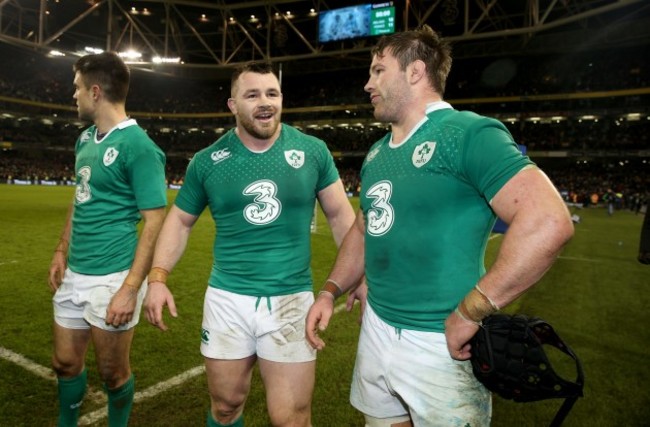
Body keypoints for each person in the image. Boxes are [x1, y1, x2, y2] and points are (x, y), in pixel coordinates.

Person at [306, 25, 575, 426]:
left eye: (378, 70)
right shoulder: (378, 152)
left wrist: (471, 312)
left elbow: (548, 221)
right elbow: (364, 231)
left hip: (441, 342)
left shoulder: (467, 132)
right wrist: (330, 290)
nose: (367, 84)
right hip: (376, 330)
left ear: (415, 72)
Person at [143, 61, 355, 427]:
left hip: (291, 299)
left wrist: (360, 275)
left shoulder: (313, 151)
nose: (265, 102)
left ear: (282, 99)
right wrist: (158, 277)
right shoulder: (208, 161)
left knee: (290, 418)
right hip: (228, 300)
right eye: (252, 94)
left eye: (272, 93)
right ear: (232, 105)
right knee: (225, 406)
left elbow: (340, 216)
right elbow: (179, 220)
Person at [47, 52, 167, 426]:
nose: (75, 96)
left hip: (113, 276)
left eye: (78, 88)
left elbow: (154, 220)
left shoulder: (140, 147)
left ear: (96, 91)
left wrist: (131, 288)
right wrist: (61, 249)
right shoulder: (85, 138)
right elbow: (79, 198)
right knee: (64, 363)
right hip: (75, 272)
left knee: (112, 374)